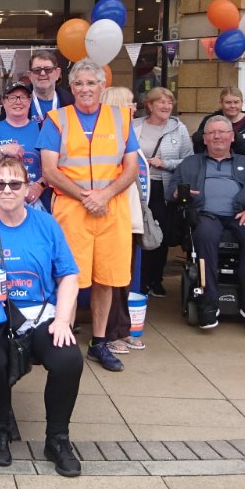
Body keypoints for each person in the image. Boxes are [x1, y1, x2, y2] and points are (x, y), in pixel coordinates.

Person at [0, 157, 84, 477]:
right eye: (0, 184)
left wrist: (63, 320)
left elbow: (68, 276)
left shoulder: (46, 225)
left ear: (27, 188)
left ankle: (57, 439)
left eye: (15, 183)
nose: (7, 190)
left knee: (69, 359)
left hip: (41, 315)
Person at [36, 60, 141, 373]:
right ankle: (60, 335)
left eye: (91, 83)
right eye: (78, 83)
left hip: (112, 209)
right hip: (72, 208)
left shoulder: (121, 118)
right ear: (71, 87)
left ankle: (99, 342)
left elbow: (132, 167)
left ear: (102, 87)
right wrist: (86, 197)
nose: (84, 89)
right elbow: (49, 170)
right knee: (67, 275)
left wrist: (105, 195)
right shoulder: (56, 119)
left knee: (106, 278)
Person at [172, 116, 245, 331]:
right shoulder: (190, 163)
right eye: (211, 133)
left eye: (222, 132)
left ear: (232, 137)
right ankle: (208, 302)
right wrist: (181, 194)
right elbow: (172, 189)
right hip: (206, 215)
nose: (217, 136)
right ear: (204, 139)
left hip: (241, 214)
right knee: (204, 235)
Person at [94, 86, 148, 355]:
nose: (135, 107)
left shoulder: (128, 136)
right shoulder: (110, 141)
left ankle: (123, 328)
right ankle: (111, 333)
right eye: (130, 103)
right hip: (116, 219)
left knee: (124, 280)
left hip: (133, 219)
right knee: (111, 280)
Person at [135, 87, 194, 299]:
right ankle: (138, 280)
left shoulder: (179, 129)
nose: (166, 106)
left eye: (169, 102)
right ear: (150, 105)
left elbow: (189, 160)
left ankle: (155, 279)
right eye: (161, 102)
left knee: (157, 233)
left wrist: (165, 163)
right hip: (137, 187)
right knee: (137, 232)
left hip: (162, 187)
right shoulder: (135, 126)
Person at [0, 82, 46, 207]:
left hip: (35, 202)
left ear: (30, 101)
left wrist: (39, 185)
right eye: (12, 97)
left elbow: (54, 167)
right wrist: (1, 150)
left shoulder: (43, 130)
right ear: (3, 101)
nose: (18, 102)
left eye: (23, 97)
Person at [191, 87, 245, 170]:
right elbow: (199, 145)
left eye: (236, 102)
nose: (232, 106)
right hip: (214, 169)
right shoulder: (210, 121)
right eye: (228, 102)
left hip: (243, 170)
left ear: (242, 103)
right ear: (221, 103)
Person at [26, 50, 73, 124]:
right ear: (30, 75)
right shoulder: (16, 103)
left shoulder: (71, 103)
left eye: (48, 69)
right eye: (37, 70)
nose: (42, 73)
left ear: (57, 73)